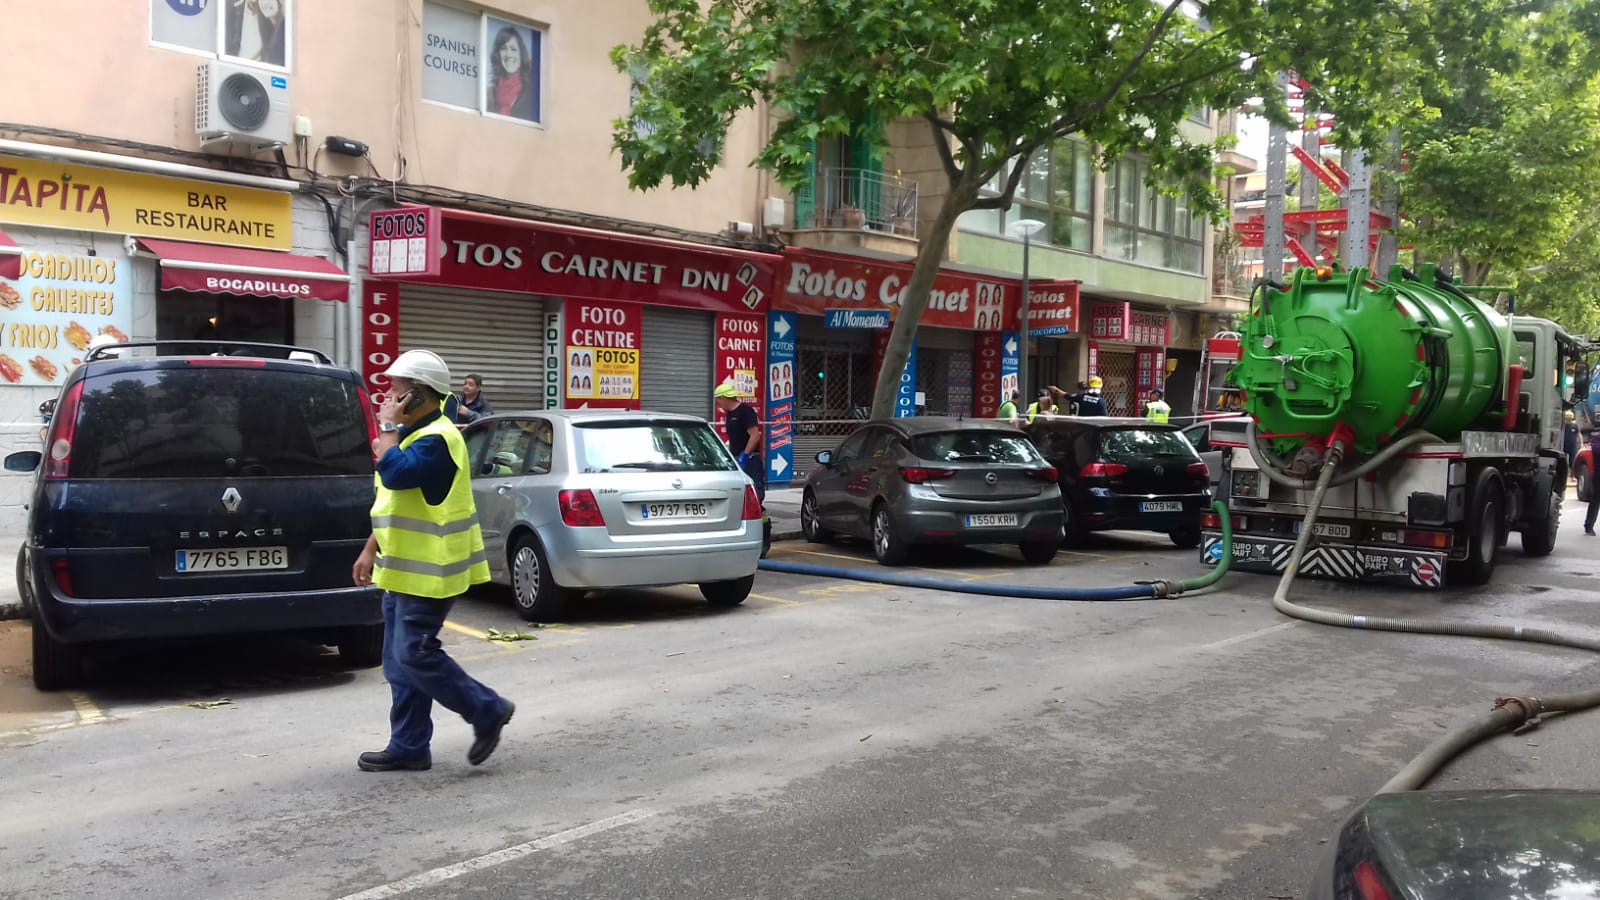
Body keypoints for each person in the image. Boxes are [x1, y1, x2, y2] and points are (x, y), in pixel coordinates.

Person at [352, 349, 514, 772]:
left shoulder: (437, 440)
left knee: (415, 653)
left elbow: (397, 475)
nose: (388, 398)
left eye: (396, 391)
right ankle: (409, 746)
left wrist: (387, 429)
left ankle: (487, 709)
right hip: (400, 570)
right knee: (398, 664)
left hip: (429, 575)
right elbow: (395, 501)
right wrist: (371, 548)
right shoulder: (411, 437)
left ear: (418, 396)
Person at [715, 381, 764, 500]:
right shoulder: (730, 415)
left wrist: (745, 455)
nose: (719, 405)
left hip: (750, 459)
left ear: (724, 398)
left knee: (754, 492)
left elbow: (754, 436)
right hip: (735, 458)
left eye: (718, 401)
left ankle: (758, 509)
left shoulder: (745, 411)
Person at [488, 26, 536, 120]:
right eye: (503, 48)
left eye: (513, 49)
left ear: (521, 53)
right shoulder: (490, 96)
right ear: (498, 54)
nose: (508, 55)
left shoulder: (533, 90)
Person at [1588, 424, 1600, 535]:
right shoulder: (1596, 437)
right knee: (1595, 500)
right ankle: (1589, 525)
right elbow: (1597, 451)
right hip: (1598, 473)